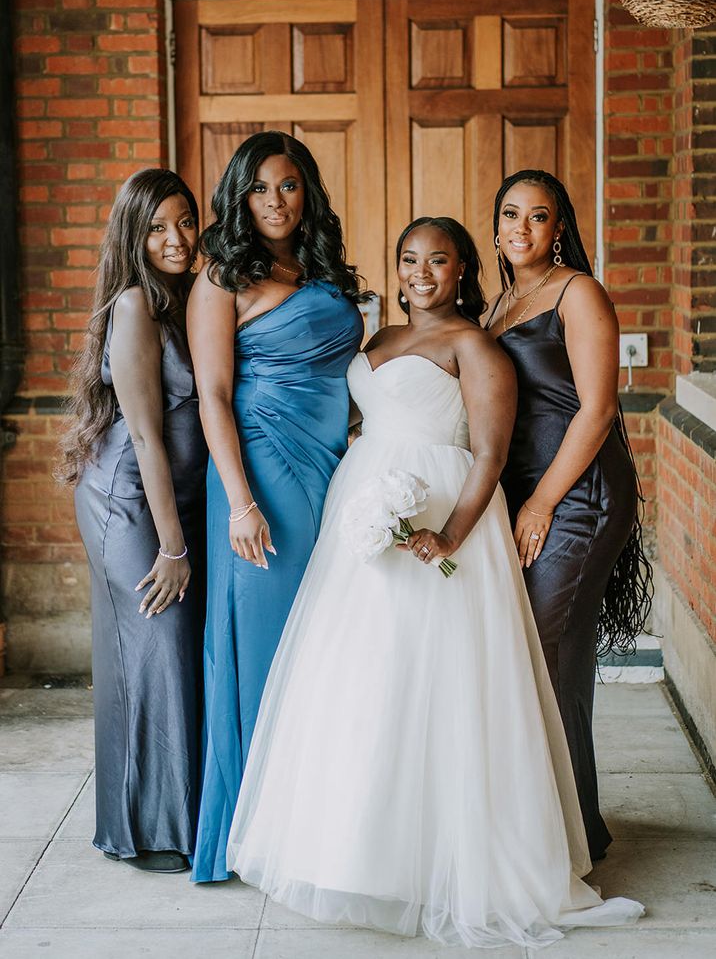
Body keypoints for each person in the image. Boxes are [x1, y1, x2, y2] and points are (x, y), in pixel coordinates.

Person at [225, 216, 644, 949]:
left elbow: (487, 454)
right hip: (362, 517)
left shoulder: (475, 347)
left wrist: (449, 533)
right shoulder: (376, 341)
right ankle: (359, 852)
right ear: (396, 268)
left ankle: (445, 860)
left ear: (461, 272)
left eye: (439, 261)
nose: (422, 273)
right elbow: (359, 418)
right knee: (361, 681)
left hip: (442, 512)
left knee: (437, 686)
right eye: (409, 259)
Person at [186, 131, 365, 883]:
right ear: (239, 197)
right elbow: (214, 395)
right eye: (259, 189)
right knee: (265, 647)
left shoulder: (321, 269)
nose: (275, 201)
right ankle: (257, 829)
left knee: (327, 644)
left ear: (308, 192)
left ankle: (318, 818)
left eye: (288, 186)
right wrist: (238, 503)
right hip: (259, 475)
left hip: (333, 473)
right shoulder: (221, 279)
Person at [484, 169, 653, 862]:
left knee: (547, 657)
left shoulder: (578, 293)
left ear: (560, 230)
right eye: (511, 214)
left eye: (539, 216)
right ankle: (570, 823)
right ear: (495, 227)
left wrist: (542, 500)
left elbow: (599, 409)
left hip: (578, 496)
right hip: (528, 492)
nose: (522, 228)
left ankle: (563, 841)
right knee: (540, 658)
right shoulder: (499, 303)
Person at [59, 169, 207, 872]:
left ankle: (160, 817)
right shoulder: (132, 307)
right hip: (128, 501)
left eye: (184, 221)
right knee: (158, 640)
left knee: (163, 653)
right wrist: (173, 547)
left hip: (168, 494)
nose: (176, 239)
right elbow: (146, 434)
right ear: (133, 235)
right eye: (157, 228)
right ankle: (156, 831)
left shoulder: (180, 298)